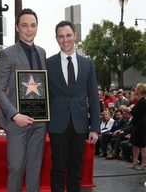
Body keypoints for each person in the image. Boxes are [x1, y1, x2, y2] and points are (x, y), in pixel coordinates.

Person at [0, 8, 47, 192]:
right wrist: (15, 114)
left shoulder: (42, 52)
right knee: (16, 168)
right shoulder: (7, 54)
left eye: (32, 25)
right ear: (17, 27)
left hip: (39, 122)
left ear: (37, 28)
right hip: (17, 122)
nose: (29, 29)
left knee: (34, 169)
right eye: (24, 25)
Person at [46, 20, 100, 192]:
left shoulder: (87, 64)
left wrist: (95, 127)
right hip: (56, 125)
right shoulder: (48, 64)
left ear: (75, 36)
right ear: (56, 39)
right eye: (61, 36)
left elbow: (93, 97)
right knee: (58, 170)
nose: (65, 39)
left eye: (68, 35)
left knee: (76, 171)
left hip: (80, 125)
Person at [129, 83, 146, 170]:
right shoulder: (139, 100)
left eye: (136, 88)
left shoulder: (143, 101)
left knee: (142, 146)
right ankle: (134, 162)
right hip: (136, 125)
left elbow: (135, 113)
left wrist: (128, 109)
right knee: (135, 145)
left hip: (141, 127)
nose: (135, 89)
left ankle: (143, 163)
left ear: (139, 90)